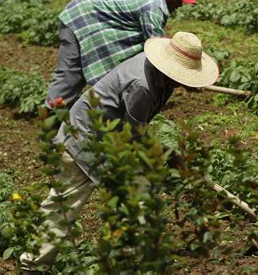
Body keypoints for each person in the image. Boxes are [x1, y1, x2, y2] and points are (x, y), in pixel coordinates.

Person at [20, 32, 219, 273]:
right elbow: (132, 136)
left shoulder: (157, 75)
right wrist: (168, 157)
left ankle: (139, 257)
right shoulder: (142, 86)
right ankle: (33, 266)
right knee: (67, 205)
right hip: (85, 142)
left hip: (104, 138)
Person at [45, 0, 197, 111]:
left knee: (78, 75)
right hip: (80, 18)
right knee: (71, 74)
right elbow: (155, 50)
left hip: (90, 17)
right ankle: (51, 120)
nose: (180, 4)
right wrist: (185, 79)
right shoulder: (153, 5)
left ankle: (64, 120)